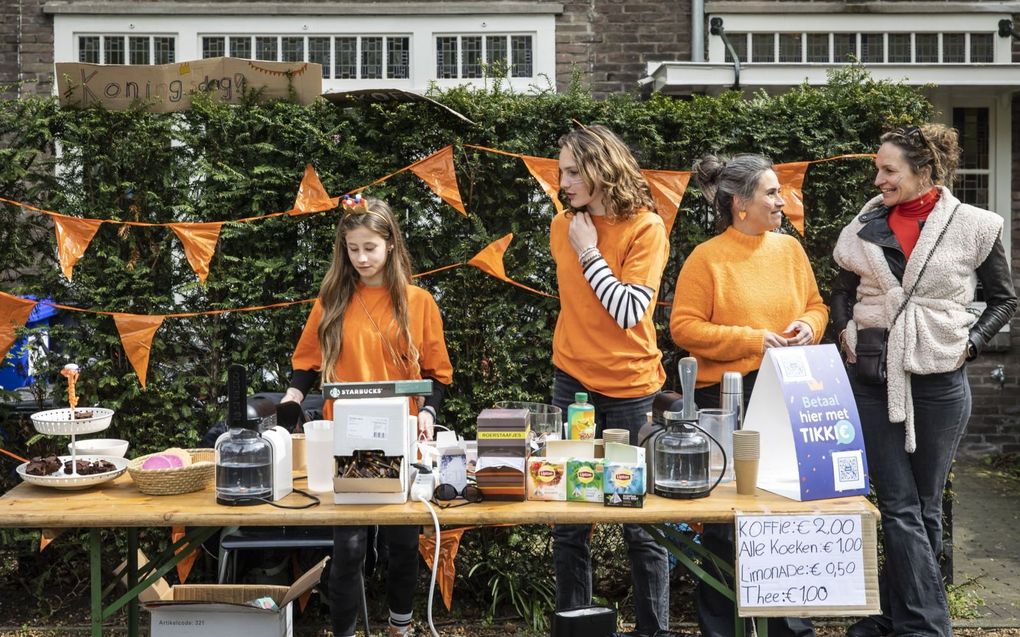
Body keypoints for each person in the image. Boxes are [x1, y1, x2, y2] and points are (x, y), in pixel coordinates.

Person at [831, 124, 1016, 637]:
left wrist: (969, 344)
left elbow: (1003, 300)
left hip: (940, 378)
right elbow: (841, 290)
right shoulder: (865, 225)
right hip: (875, 375)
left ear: (924, 173)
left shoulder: (975, 225)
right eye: (878, 168)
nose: (879, 178)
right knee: (898, 503)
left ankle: (890, 618)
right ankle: (928, 627)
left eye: (889, 170)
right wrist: (846, 332)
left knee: (925, 508)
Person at [282, 195, 454, 637]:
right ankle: (343, 632)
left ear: (391, 244)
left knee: (401, 542)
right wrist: (291, 400)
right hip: (347, 438)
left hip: (403, 435)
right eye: (352, 249)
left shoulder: (419, 302)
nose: (361, 258)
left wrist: (429, 413)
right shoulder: (332, 301)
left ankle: (401, 626)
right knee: (350, 546)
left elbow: (438, 373)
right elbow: (307, 363)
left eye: (370, 248)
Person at [670, 153, 827, 637]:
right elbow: (683, 328)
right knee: (723, 518)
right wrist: (754, 339)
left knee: (786, 511)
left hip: (787, 394)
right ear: (740, 204)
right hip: (728, 399)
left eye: (780, 191)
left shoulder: (791, 251)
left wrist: (808, 325)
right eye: (772, 193)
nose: (783, 200)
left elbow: (816, 306)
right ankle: (722, 630)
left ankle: (790, 628)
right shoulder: (707, 258)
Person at [550, 124, 671, 636]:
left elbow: (628, 310)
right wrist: (580, 240)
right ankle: (577, 629)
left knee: (638, 523)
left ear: (603, 169)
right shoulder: (563, 225)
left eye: (574, 171)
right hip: (570, 383)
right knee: (569, 520)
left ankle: (654, 630)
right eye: (561, 171)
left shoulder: (646, 227)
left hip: (630, 388)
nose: (564, 181)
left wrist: (588, 250)